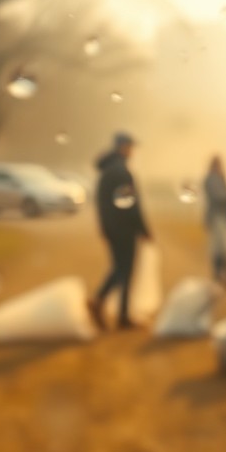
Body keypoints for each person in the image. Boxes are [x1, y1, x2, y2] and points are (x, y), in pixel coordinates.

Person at [90, 132, 152, 330]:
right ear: (122, 147)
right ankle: (102, 302)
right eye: (130, 147)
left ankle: (120, 313)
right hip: (124, 229)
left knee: (120, 268)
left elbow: (100, 204)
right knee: (124, 270)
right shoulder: (121, 172)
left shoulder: (107, 171)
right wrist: (143, 229)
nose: (132, 151)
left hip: (112, 228)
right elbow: (130, 205)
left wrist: (105, 228)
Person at [203, 155, 226, 281]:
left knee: (222, 246)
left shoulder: (219, 178)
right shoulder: (211, 179)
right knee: (220, 247)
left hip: (222, 217)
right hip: (218, 217)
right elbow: (217, 196)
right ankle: (219, 273)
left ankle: (221, 273)